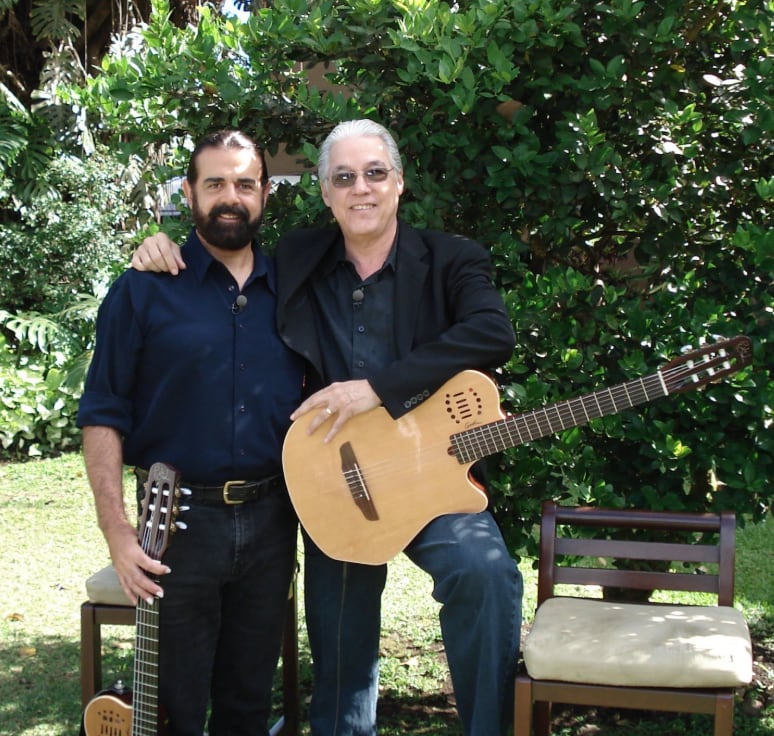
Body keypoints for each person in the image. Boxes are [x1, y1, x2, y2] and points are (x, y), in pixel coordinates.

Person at [133, 118, 524, 736]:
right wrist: (164, 245)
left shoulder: (451, 259)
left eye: (374, 173)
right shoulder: (297, 257)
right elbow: (225, 240)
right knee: (339, 636)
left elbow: (491, 334)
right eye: (343, 177)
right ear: (324, 192)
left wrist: (379, 389)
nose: (359, 188)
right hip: (338, 480)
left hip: (432, 481)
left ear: (399, 182)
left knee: (486, 573)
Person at [78, 130, 305, 736]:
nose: (231, 197)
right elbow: (102, 412)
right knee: (175, 708)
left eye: (245, 183)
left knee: (247, 704)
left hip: (272, 521)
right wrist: (117, 531)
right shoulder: (143, 290)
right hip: (174, 527)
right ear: (189, 192)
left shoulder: (296, 292)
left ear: (265, 194)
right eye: (215, 184)